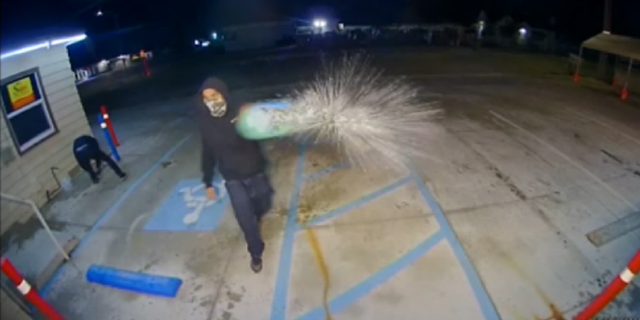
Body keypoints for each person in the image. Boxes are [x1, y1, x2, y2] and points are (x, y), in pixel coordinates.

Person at [194, 77, 273, 273]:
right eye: (206, 98)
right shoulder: (205, 123)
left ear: (223, 94)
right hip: (232, 177)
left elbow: (262, 128)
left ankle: (258, 213)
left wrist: (256, 123)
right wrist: (208, 181)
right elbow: (207, 152)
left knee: (263, 201)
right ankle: (255, 251)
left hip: (255, 170)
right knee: (245, 218)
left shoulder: (240, 111)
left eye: (214, 95)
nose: (210, 100)